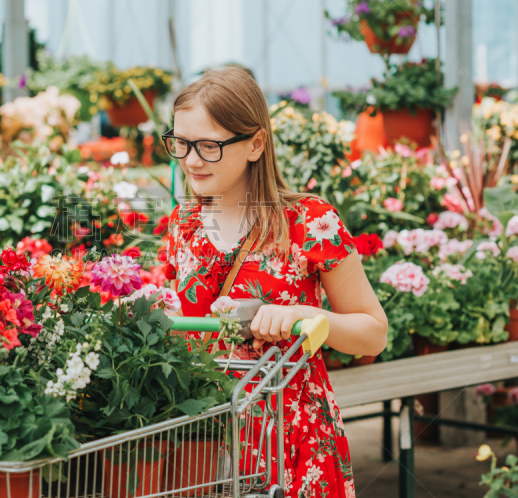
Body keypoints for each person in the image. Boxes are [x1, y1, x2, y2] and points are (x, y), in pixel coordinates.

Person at [161, 65, 387, 498]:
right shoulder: (182, 225)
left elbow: (373, 333)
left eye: (208, 146)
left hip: (294, 439)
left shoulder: (309, 222)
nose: (190, 160)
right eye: (182, 143)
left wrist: (303, 315)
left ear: (255, 143)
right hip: (206, 441)